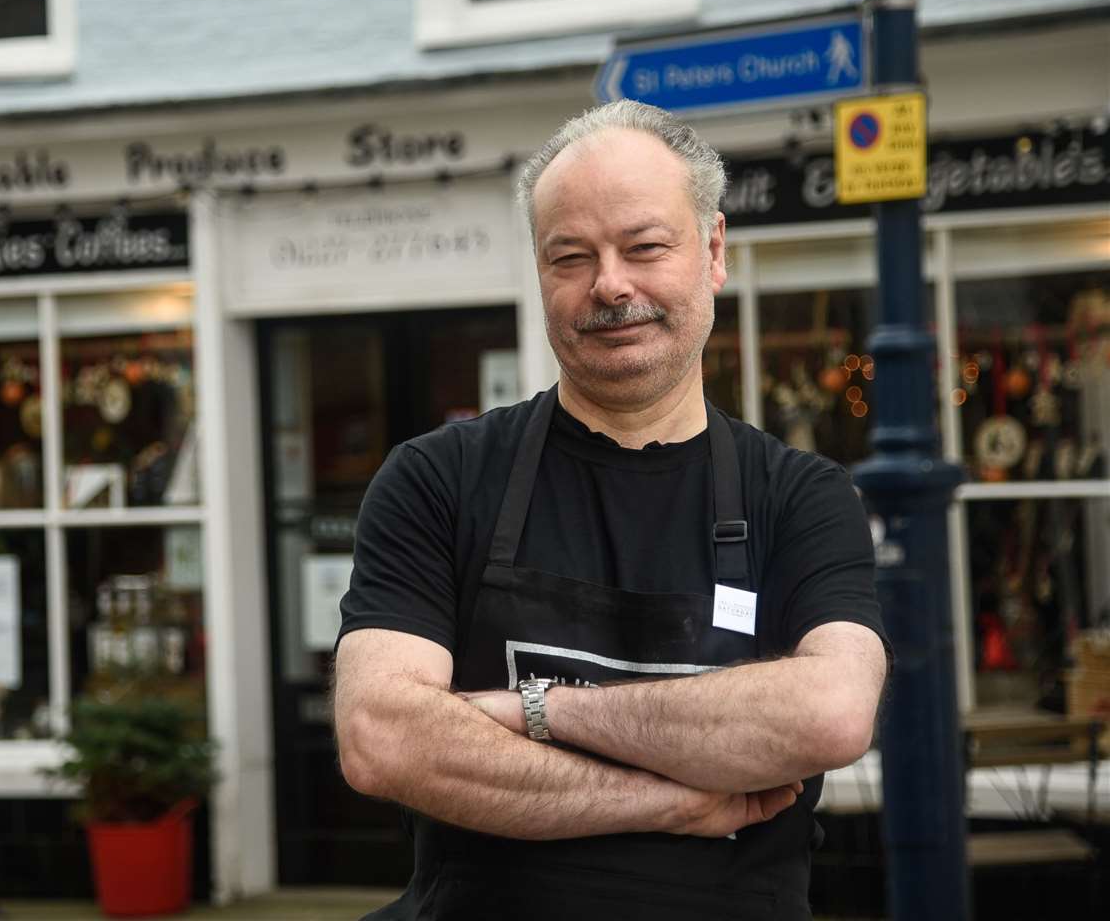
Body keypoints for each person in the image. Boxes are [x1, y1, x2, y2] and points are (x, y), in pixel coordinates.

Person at [332, 100, 889, 920]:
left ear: (712, 252)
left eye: (645, 246)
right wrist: (669, 800)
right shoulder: (436, 479)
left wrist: (538, 708)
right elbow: (384, 738)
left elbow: (828, 715)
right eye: (571, 256)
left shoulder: (802, 496)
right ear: (540, 272)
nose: (611, 284)